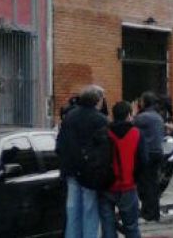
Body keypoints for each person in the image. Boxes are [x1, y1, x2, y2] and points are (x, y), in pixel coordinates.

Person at [56, 84, 108, 238]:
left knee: (72, 209)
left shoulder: (69, 117)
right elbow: (104, 148)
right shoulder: (100, 119)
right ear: (98, 100)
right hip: (90, 172)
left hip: (70, 169)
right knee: (89, 210)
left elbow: (60, 144)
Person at [98, 101, 147, 238]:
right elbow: (143, 160)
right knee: (131, 227)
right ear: (129, 115)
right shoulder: (137, 134)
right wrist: (135, 178)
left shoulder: (104, 133)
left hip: (107, 186)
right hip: (128, 185)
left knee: (108, 227)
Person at [133, 92, 165, 222]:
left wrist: (134, 112)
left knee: (145, 184)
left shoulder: (143, 117)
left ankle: (148, 212)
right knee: (152, 183)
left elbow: (130, 125)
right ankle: (153, 211)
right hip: (157, 152)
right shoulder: (157, 116)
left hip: (148, 153)